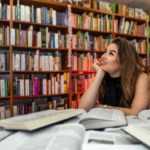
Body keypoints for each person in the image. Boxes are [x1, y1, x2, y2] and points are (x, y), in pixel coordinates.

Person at [79, 37, 150, 115]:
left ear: (124, 61)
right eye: (105, 52)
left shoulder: (142, 78)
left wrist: (102, 107)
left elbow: (136, 113)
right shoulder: (103, 76)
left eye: (111, 53)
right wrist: (99, 74)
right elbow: (83, 108)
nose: (103, 56)